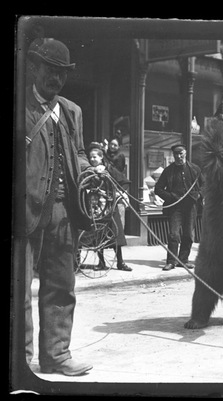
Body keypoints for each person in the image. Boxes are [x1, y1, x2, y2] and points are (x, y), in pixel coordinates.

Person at [24, 38, 93, 376]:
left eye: (62, 73)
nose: (56, 78)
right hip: (23, 213)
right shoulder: (20, 105)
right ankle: (20, 361)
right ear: (34, 67)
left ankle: (56, 356)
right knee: (19, 290)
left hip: (64, 213)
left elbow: (78, 152)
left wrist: (88, 169)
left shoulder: (71, 110)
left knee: (62, 287)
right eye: (50, 70)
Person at [86, 142, 132, 272]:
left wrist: (118, 193)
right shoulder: (88, 171)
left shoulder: (109, 169)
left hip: (110, 206)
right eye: (91, 157)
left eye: (95, 157)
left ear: (101, 157)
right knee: (98, 234)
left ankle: (120, 262)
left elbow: (125, 182)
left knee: (116, 234)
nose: (92, 159)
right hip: (95, 207)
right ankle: (101, 263)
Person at [155, 144, 202, 271]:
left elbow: (204, 186)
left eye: (181, 153)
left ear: (185, 153)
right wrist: (171, 197)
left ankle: (183, 260)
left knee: (188, 235)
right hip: (175, 208)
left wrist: (198, 195)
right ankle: (171, 261)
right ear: (173, 155)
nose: (179, 156)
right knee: (173, 235)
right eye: (176, 154)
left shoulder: (195, 169)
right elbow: (158, 189)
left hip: (191, 207)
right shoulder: (168, 171)